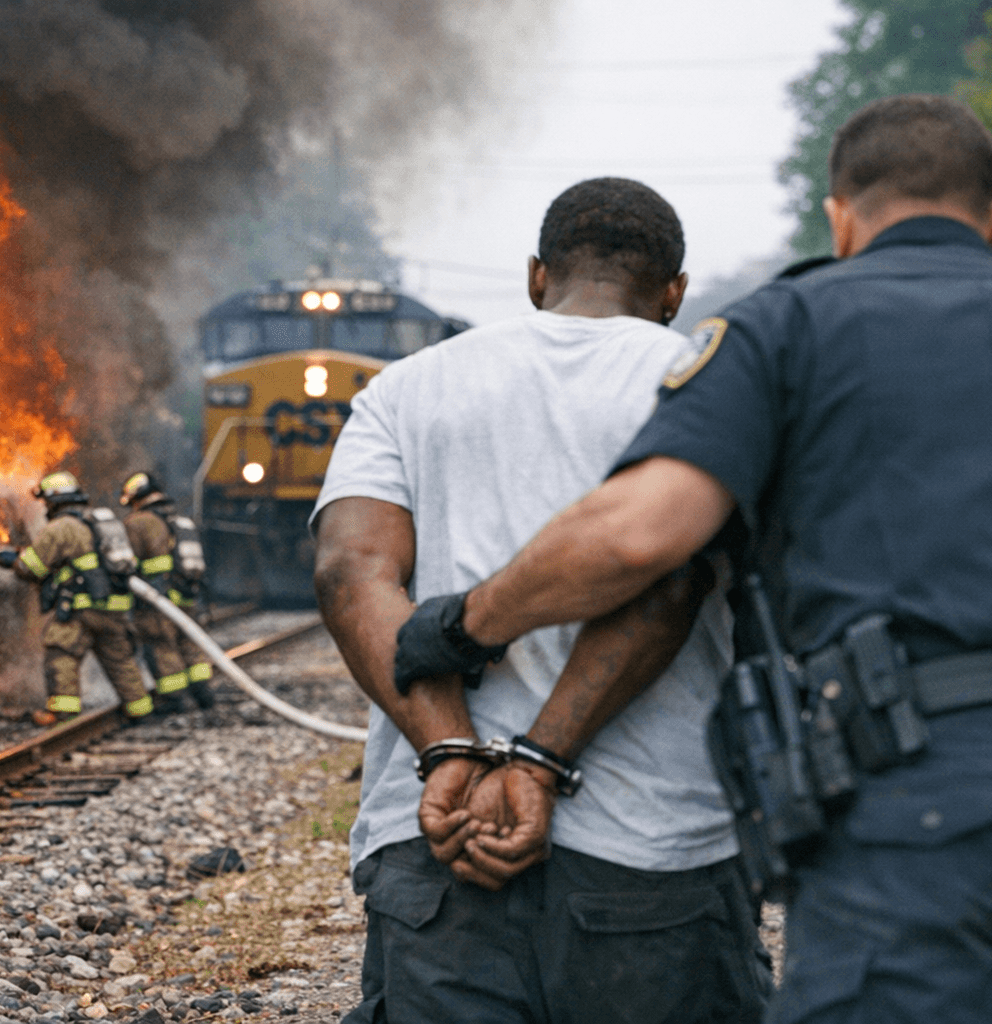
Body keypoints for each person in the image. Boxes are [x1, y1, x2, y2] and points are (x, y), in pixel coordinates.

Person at [394, 95, 992, 1023]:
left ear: (841, 219)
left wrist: (463, 624)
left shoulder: (788, 329)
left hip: (927, 791)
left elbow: (638, 534)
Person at [313, 177, 772, 1024]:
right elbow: (670, 579)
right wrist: (540, 763)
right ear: (673, 292)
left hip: (437, 843)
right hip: (650, 852)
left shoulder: (406, 388)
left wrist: (449, 751)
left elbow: (350, 576)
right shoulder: (708, 382)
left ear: (536, 276)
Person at [0, 471, 153, 721]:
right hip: (115, 609)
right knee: (121, 662)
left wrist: (13, 561)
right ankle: (141, 712)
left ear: (53, 500)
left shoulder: (61, 527)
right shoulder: (102, 522)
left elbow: (32, 568)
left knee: (62, 655)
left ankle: (63, 713)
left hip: (82, 609)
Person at [119, 470, 216, 711]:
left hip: (157, 598)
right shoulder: (180, 521)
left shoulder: (139, 522)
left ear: (137, 498)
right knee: (189, 643)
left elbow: (125, 560)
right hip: (187, 595)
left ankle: (173, 699)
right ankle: (203, 694)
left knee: (161, 645)